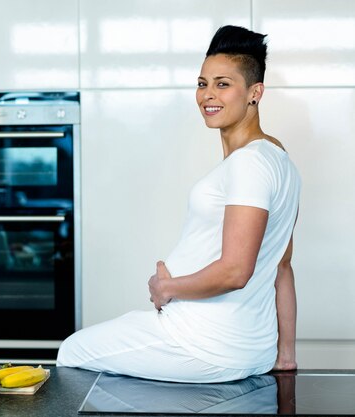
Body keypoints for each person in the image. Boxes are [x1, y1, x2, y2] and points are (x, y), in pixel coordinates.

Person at [56, 25, 301, 383]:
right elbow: (283, 267)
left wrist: (166, 287)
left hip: (204, 343)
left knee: (72, 352)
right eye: (202, 83)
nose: (207, 95)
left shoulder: (250, 164)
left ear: (255, 92)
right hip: (242, 345)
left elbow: (236, 271)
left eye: (223, 83)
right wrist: (286, 356)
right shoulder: (278, 158)